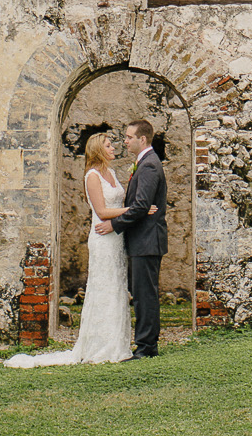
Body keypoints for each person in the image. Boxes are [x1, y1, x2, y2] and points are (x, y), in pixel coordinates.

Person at [2, 132, 144, 367]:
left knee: (117, 286)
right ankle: (99, 345)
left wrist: (128, 210)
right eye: (108, 146)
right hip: (102, 236)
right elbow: (101, 211)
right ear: (98, 150)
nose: (113, 148)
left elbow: (118, 201)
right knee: (103, 286)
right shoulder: (92, 176)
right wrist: (134, 210)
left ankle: (117, 343)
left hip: (116, 237)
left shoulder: (112, 173)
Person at [98, 118, 167, 359]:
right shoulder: (144, 162)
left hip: (147, 240)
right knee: (141, 294)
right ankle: (146, 344)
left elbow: (140, 206)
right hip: (142, 240)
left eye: (129, 137)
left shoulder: (148, 165)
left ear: (142, 139)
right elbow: (139, 206)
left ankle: (147, 347)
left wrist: (114, 225)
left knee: (145, 295)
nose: (125, 141)